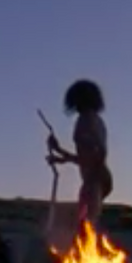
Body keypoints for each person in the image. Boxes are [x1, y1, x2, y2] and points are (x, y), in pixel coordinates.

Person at [46, 79, 113, 227]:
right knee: (85, 221)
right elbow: (87, 156)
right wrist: (60, 154)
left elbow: (98, 152)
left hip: (95, 178)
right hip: (97, 178)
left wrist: (92, 176)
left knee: (86, 222)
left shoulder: (87, 120)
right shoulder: (95, 120)